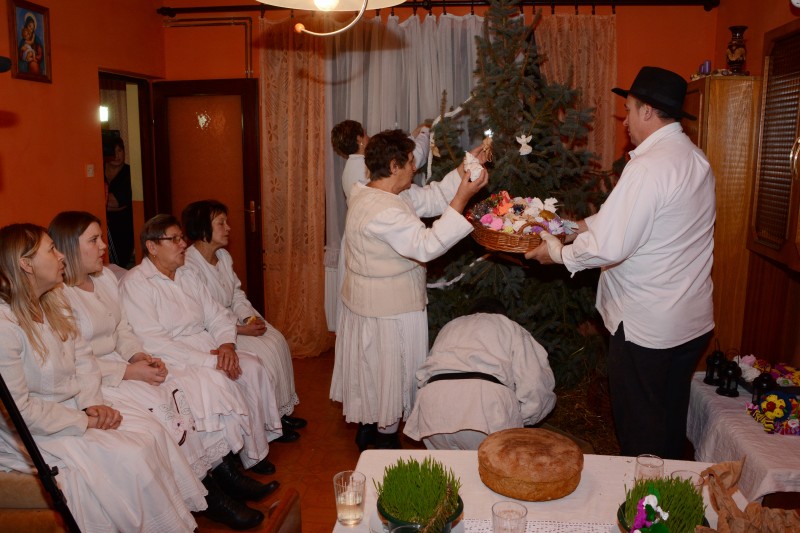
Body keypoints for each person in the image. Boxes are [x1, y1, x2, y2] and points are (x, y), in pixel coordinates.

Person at [525, 66, 715, 459]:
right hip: (689, 322)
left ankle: (646, 497)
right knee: (669, 424)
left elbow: (610, 244)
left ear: (647, 111)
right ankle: (674, 492)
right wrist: (568, 227)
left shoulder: (648, 166)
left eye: (628, 109)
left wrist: (556, 253)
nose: (625, 120)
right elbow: (624, 219)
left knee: (640, 434)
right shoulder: (695, 159)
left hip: (647, 327)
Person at [49, 211, 278, 529]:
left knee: (177, 395)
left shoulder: (104, 280)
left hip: (123, 364)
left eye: (101, 237)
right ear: (69, 247)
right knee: (168, 409)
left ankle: (222, 475)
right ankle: (210, 496)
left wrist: (139, 355)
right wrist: (130, 371)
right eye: (94, 240)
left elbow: (123, 330)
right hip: (101, 379)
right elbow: (76, 360)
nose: (104, 246)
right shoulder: (61, 298)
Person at [0, 223, 202, 532]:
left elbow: (83, 359)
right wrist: (84, 419)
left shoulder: (53, 301)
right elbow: (20, 411)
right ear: (26, 264)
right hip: (40, 426)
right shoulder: (6, 327)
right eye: (51, 250)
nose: (61, 256)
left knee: (152, 432)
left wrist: (92, 402)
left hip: (77, 405)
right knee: (131, 455)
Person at [330, 129, 489, 451]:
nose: (415, 167)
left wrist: (465, 166)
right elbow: (426, 246)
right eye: (410, 162)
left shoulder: (379, 192)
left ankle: (368, 430)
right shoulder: (383, 210)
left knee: (373, 375)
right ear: (393, 166)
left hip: (372, 304)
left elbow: (431, 197)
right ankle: (384, 442)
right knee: (389, 376)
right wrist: (462, 198)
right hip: (389, 312)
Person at [118, 215, 285, 472]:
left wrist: (227, 345)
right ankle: (223, 466)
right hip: (174, 357)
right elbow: (154, 341)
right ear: (152, 247)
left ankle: (254, 451)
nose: (183, 244)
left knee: (252, 367)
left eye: (182, 238)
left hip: (207, 344)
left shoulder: (187, 274)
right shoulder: (136, 283)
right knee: (217, 380)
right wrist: (211, 361)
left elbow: (216, 314)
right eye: (174, 239)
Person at [181, 200, 307, 441]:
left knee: (276, 340)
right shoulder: (189, 266)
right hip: (216, 331)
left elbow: (236, 294)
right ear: (203, 228)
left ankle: (280, 412)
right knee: (261, 355)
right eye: (221, 223)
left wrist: (249, 317)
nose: (228, 228)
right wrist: (240, 330)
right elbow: (203, 315)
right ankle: (267, 422)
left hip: (234, 319)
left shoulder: (223, 256)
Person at [403, 298, 556, 450]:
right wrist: (522, 417)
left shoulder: (450, 326)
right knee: (494, 465)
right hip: (485, 409)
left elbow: (425, 372)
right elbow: (534, 382)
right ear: (501, 314)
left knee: (450, 465)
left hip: (434, 407)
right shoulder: (509, 326)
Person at [331, 119, 431, 200]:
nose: (369, 137)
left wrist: (413, 135)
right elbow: (416, 155)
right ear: (359, 139)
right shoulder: (369, 164)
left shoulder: (348, 170)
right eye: (365, 134)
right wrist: (425, 131)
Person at [104, 137, 134, 267]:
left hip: (123, 228)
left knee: (120, 264)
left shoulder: (130, 173)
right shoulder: (97, 170)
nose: (117, 155)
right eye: (113, 151)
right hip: (102, 227)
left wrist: (102, 202)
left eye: (120, 151)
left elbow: (118, 202)